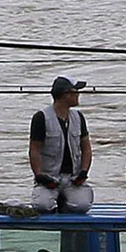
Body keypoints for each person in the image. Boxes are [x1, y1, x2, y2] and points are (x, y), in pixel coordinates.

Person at [29, 76, 94, 214]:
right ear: (65, 95)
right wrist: (40, 176)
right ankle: (53, 201)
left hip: (73, 178)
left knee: (82, 206)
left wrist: (83, 172)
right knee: (42, 206)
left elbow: (86, 149)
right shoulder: (41, 117)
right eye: (75, 91)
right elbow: (34, 150)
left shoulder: (79, 117)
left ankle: (65, 203)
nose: (78, 95)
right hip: (50, 177)